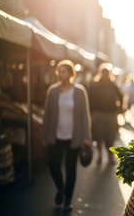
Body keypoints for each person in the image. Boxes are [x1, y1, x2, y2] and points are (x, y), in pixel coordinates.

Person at [41, 59, 92, 211]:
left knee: (71, 169)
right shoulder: (53, 91)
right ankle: (61, 188)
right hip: (55, 135)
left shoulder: (79, 91)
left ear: (70, 74)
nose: (59, 74)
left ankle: (68, 199)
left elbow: (85, 115)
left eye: (63, 71)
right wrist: (44, 135)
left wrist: (87, 137)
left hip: (74, 137)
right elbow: (47, 114)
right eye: (59, 71)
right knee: (53, 165)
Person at [88, 64, 123, 164]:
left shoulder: (112, 85)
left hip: (110, 114)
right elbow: (89, 99)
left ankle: (109, 156)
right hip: (99, 114)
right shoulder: (95, 85)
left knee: (110, 137)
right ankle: (100, 155)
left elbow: (120, 96)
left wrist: (120, 108)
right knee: (99, 137)